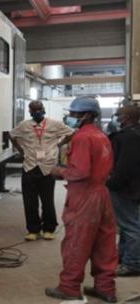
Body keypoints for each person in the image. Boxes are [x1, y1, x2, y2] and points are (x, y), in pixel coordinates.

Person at [45, 97, 118, 303]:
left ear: (86, 115)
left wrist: (57, 170)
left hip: (84, 196)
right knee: (104, 243)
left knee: (76, 242)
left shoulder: (83, 137)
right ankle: (106, 288)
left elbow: (80, 171)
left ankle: (69, 287)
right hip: (102, 194)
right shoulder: (101, 136)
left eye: (75, 114)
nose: (72, 117)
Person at [9, 100, 73, 241]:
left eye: (39, 109)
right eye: (34, 110)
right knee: (30, 201)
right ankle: (33, 229)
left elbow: (71, 133)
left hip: (47, 167)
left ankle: (49, 229)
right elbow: (12, 135)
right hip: (30, 166)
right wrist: (20, 150)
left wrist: (59, 144)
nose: (37, 112)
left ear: (43, 110)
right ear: (30, 111)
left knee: (47, 200)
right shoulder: (24, 125)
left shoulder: (54, 124)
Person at [107, 105, 140, 277]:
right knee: (127, 224)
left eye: (118, 115)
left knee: (131, 225)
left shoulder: (128, 137)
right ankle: (124, 257)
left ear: (126, 117)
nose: (116, 118)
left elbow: (124, 166)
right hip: (132, 187)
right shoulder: (135, 133)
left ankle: (133, 263)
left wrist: (112, 183)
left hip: (126, 188)